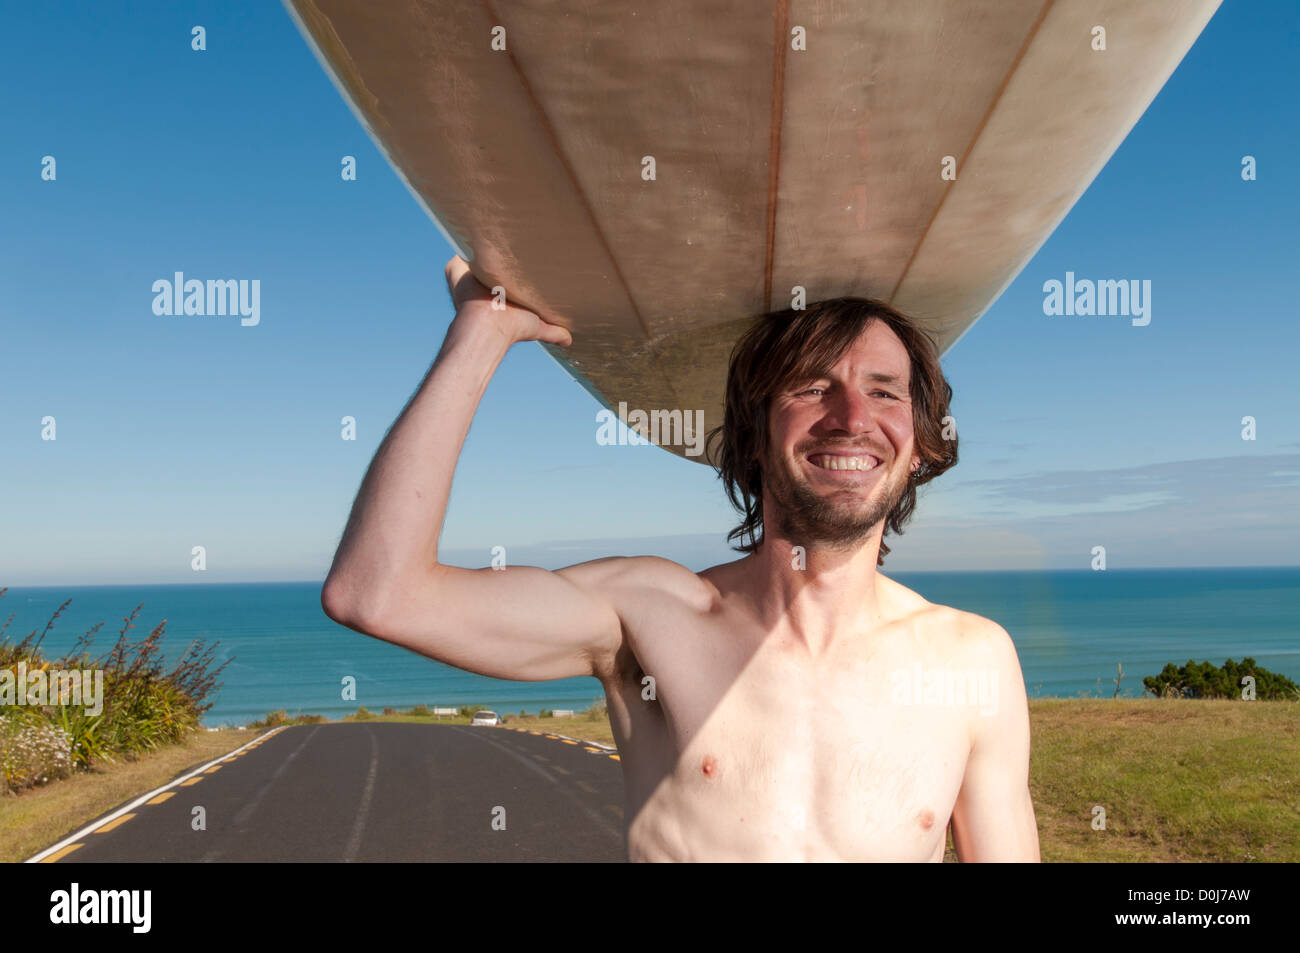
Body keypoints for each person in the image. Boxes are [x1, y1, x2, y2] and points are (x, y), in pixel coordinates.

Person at [321, 255, 1041, 862]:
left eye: (883, 391)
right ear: (753, 436)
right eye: (812, 385)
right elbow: (378, 592)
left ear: (920, 447)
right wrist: (481, 333)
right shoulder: (647, 618)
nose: (851, 416)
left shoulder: (972, 663)